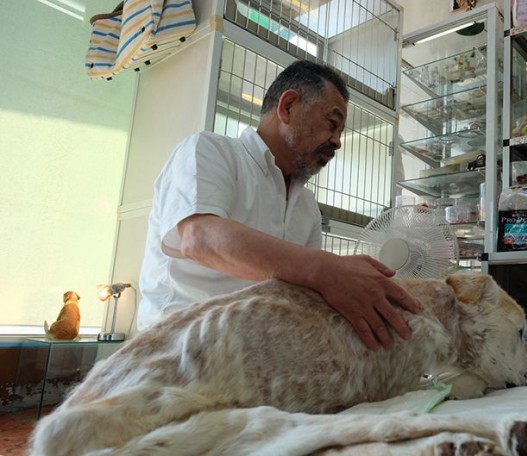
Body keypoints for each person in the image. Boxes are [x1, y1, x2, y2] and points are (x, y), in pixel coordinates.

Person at [138, 60, 420, 350]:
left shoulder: (307, 207)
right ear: (288, 107)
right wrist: (326, 270)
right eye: (332, 124)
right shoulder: (209, 151)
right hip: (176, 350)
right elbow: (200, 239)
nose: (337, 143)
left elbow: (303, 293)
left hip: (258, 357)